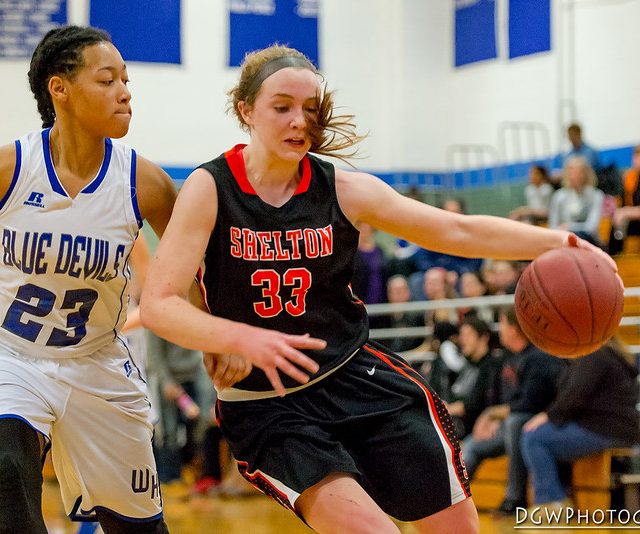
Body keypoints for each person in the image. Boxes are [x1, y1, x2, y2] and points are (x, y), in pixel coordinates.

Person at [140, 44, 611, 534]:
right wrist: (230, 337)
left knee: (459, 530)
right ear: (246, 110)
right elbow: (159, 303)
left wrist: (563, 240)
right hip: (268, 405)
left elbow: (457, 231)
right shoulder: (210, 187)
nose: (300, 121)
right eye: (282, 107)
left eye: (310, 109)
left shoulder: (343, 188)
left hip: (354, 377)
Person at [0, 26, 178, 533]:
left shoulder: (145, 183)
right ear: (60, 88)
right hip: (12, 353)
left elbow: (198, 272)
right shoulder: (11, 167)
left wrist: (223, 341)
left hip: (97, 360)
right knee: (6, 470)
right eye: (108, 80)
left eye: (126, 80)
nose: (125, 91)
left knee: (138, 528)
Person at [461, 308, 565, 514]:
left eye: (502, 325)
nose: (499, 330)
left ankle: (515, 498)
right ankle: (453, 498)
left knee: (515, 422)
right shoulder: (506, 358)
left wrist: (493, 414)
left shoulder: (538, 358)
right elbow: (497, 400)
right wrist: (491, 417)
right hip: (508, 426)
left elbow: (531, 404)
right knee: (472, 444)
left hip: (534, 424)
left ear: (514, 329)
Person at [522, 337, 640, 508]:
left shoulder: (595, 355)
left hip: (604, 429)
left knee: (534, 437)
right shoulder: (613, 353)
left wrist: (548, 415)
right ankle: (561, 494)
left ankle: (551, 502)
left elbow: (575, 395)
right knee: (544, 434)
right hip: (617, 429)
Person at [445, 318, 502, 439]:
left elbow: (477, 403)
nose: (462, 340)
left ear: (483, 338)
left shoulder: (492, 365)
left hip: (474, 426)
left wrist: (449, 409)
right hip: (457, 423)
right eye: (461, 335)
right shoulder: (466, 366)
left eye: (468, 335)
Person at [548, 155, 605, 247]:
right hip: (563, 241)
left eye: (579, 172)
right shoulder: (558, 197)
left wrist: (570, 226)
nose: (575, 176)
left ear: (586, 174)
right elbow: (553, 227)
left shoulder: (596, 195)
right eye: (571, 172)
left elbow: (591, 227)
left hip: (589, 241)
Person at [608, 144, 640, 255]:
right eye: (636, 155)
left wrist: (626, 212)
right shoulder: (630, 178)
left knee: (622, 216)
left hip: (634, 216)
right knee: (615, 222)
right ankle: (615, 257)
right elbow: (622, 201)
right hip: (633, 220)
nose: (637, 159)